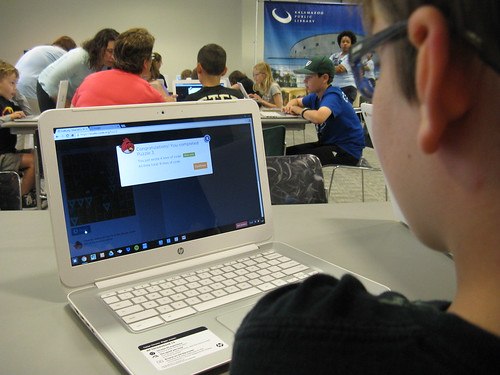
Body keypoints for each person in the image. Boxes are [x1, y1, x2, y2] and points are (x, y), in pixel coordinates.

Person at [231, 0, 500, 373]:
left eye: (377, 64)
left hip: (343, 154)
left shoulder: (288, 341)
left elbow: (318, 113)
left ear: (433, 75)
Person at [284, 56, 364, 166]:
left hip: (346, 150)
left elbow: (319, 117)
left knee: (291, 162)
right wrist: (290, 106)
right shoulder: (316, 96)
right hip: (329, 144)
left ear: (324, 78)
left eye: (309, 77)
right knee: (284, 154)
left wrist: (298, 110)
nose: (304, 80)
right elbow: (296, 101)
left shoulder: (333, 95)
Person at [71, 28, 167, 107]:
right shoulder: (149, 93)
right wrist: (163, 95)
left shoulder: (89, 80)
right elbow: (168, 114)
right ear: (145, 63)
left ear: (115, 56)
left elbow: (73, 107)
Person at [37, 28, 119, 111]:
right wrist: (68, 107)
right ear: (98, 48)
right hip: (47, 88)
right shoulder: (79, 57)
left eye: (115, 52)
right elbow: (50, 83)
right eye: (109, 51)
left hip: (68, 94)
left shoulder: (107, 65)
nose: (112, 57)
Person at [0, 60, 37, 208]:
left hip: (8, 151)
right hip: (2, 155)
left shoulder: (7, 102)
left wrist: (16, 93)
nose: (14, 88)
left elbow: (28, 113)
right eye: (12, 83)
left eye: (16, 84)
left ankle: (21, 195)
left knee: (36, 153)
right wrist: (9, 117)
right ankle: (17, 199)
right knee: (34, 162)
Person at [15, 36, 77, 114]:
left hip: (16, 87)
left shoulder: (43, 50)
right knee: (38, 121)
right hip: (30, 88)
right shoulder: (63, 54)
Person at [329, 30, 358, 104]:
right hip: (334, 87)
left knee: (343, 112)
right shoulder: (334, 56)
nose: (345, 43)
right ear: (340, 43)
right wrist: (330, 68)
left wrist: (328, 69)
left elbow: (340, 69)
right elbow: (325, 65)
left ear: (352, 44)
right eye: (343, 41)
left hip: (348, 88)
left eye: (347, 42)